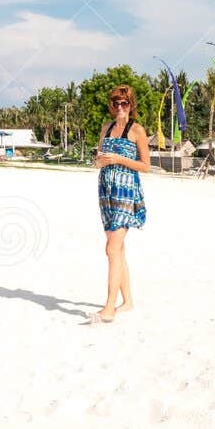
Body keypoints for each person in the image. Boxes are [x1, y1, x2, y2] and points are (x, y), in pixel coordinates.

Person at [93, 84, 149, 322]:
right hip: (106, 189)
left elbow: (145, 166)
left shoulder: (137, 130)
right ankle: (127, 301)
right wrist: (100, 162)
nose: (119, 108)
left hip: (126, 191)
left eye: (124, 103)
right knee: (118, 248)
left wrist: (119, 159)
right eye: (115, 103)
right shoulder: (105, 128)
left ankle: (109, 308)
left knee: (111, 249)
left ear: (130, 105)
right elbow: (98, 158)